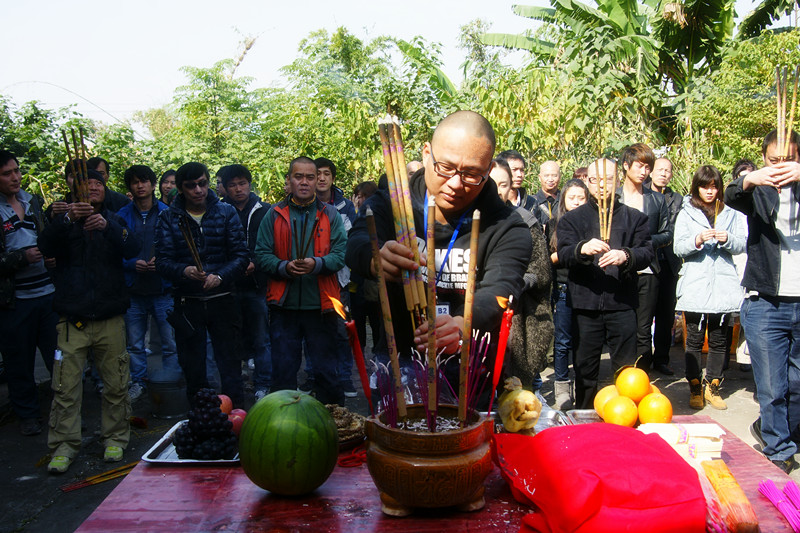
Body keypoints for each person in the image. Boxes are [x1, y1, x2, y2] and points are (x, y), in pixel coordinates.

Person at [346, 111, 532, 405]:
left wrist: (461, 323)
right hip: (400, 362)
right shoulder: (392, 202)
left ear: (489, 168)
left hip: (471, 371)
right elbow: (356, 243)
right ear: (427, 152)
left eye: (472, 174)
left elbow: (500, 290)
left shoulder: (507, 225)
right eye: (445, 167)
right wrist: (375, 258)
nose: (456, 184)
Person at [39, 168, 139, 474]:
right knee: (66, 386)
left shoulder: (116, 218)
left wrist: (107, 227)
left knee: (116, 383)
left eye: (98, 184)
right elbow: (45, 246)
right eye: (86, 183)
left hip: (110, 316)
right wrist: (68, 220)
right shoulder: (62, 219)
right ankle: (64, 445)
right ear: (74, 188)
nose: (92, 188)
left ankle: (115, 438)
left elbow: (132, 247)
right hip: (72, 318)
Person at [725, 129, 800, 473]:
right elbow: (730, 194)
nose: (780, 167)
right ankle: (778, 447)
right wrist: (752, 178)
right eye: (773, 161)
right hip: (765, 302)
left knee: (797, 385)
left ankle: (776, 431)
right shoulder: (758, 194)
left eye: (789, 161)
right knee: (772, 385)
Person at [557, 158, 653, 409]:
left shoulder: (635, 218)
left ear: (618, 181)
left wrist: (626, 256)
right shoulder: (572, 219)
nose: (601, 185)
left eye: (608, 179)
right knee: (585, 369)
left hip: (621, 302)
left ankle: (624, 419)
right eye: (595, 179)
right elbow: (563, 254)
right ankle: (585, 417)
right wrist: (583, 249)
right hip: (585, 305)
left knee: (625, 370)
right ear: (588, 181)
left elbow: (647, 253)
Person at [255, 156, 347, 406]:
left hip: (322, 307)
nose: (304, 182)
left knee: (327, 372)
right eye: (298, 177)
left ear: (318, 180)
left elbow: (340, 254)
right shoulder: (273, 215)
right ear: (289, 180)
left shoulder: (330, 214)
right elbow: (261, 254)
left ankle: (336, 423)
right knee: (283, 372)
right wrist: (283, 267)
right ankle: (281, 425)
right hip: (284, 308)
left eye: (310, 177)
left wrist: (316, 264)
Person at [155, 162, 249, 407]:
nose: (198, 190)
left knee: (230, 366)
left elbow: (241, 256)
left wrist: (219, 276)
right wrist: (184, 271)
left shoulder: (226, 212)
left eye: (203, 184)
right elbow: (163, 261)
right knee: (193, 368)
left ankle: (236, 417)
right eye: (191, 186)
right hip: (188, 303)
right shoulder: (168, 217)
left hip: (224, 299)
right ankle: (201, 419)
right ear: (180, 189)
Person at [674, 165, 746, 411]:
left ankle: (712, 387)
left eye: (714, 186)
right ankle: (694, 387)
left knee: (718, 339)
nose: (710, 191)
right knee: (693, 338)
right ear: (697, 187)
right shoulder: (686, 212)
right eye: (705, 186)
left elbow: (743, 243)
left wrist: (728, 239)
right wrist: (697, 240)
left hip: (723, 282)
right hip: (695, 280)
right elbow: (678, 247)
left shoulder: (731, 212)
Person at [0, 150, 58, 436]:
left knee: (58, 358)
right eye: (6, 173)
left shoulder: (30, 200)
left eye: (16, 170)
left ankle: (64, 414)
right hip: (15, 300)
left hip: (47, 293)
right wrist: (22, 258)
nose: (15, 177)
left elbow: (45, 237)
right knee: (18, 361)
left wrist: (49, 254)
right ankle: (27, 415)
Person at [117, 165, 180, 403]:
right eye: (134, 182)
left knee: (170, 341)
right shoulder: (121, 215)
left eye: (144, 181)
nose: (140, 186)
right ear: (130, 188)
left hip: (162, 288)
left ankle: (171, 380)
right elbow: (115, 250)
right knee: (134, 343)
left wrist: (162, 262)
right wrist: (132, 263)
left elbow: (177, 247)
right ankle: (139, 381)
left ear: (153, 184)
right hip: (134, 288)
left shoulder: (167, 212)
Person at [219, 164, 272, 402]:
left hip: (257, 285)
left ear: (249, 184)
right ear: (224, 188)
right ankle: (235, 387)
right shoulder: (218, 211)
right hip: (228, 286)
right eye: (232, 185)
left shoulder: (265, 211)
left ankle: (263, 383)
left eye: (242, 183)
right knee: (231, 340)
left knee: (261, 338)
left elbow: (272, 244)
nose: (238, 189)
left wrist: (255, 262)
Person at [618, 144, 671, 373]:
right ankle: (620, 372)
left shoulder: (656, 200)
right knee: (621, 325)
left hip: (648, 269)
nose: (644, 171)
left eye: (648, 167)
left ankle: (641, 377)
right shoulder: (614, 197)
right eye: (640, 165)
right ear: (626, 166)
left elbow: (668, 233)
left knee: (643, 328)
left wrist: (644, 243)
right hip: (618, 269)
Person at [314, 157, 358, 397]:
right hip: (311, 278)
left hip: (339, 278)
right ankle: (315, 376)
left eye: (326, 174)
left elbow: (350, 241)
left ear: (332, 178)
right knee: (314, 331)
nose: (321, 178)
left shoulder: (345, 207)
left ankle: (344, 378)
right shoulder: (302, 204)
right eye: (317, 173)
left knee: (341, 330)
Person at [546, 178, 590, 409]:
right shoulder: (555, 223)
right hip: (564, 288)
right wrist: (574, 252)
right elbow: (548, 258)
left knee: (584, 340)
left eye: (581, 198)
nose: (576, 202)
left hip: (588, 288)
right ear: (563, 199)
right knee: (562, 341)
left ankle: (583, 385)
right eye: (571, 198)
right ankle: (562, 388)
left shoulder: (593, 223)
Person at [649, 157, 683, 375]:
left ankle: (661, 358)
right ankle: (640, 359)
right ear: (651, 172)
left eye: (667, 170)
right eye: (659, 169)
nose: (663, 173)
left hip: (669, 261)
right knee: (643, 314)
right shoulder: (642, 196)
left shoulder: (677, 199)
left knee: (666, 314)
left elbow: (674, 228)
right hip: (646, 259)